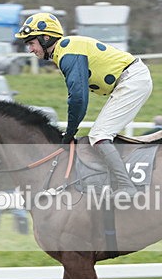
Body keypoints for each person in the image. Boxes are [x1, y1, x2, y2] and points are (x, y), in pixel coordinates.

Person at [15, 11, 153, 198]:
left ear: (45, 38)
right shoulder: (64, 51)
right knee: (100, 134)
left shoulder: (68, 52)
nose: (30, 49)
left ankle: (127, 186)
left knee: (99, 135)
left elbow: (78, 98)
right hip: (132, 78)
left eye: (31, 43)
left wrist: (70, 133)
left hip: (132, 79)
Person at [0, 166, 29, 235]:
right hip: (7, 188)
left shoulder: (3, 162)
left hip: (6, 188)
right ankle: (24, 231)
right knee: (18, 209)